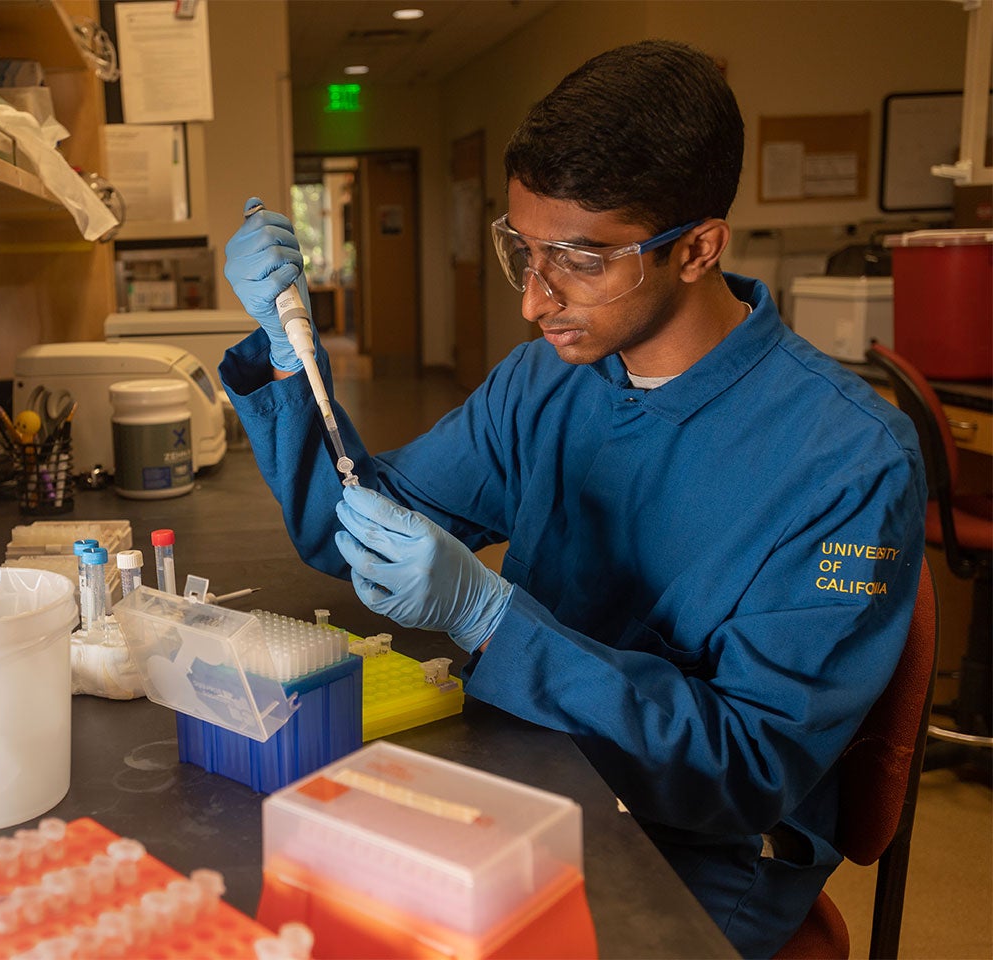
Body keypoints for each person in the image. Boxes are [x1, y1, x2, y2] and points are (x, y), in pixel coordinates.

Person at [220, 39, 926, 958]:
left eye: (579, 261)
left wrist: (491, 618)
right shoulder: (545, 383)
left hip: (697, 850)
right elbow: (353, 520)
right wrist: (288, 347)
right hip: (524, 775)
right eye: (523, 250)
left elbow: (748, 770)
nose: (534, 300)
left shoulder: (848, 460)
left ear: (698, 248)